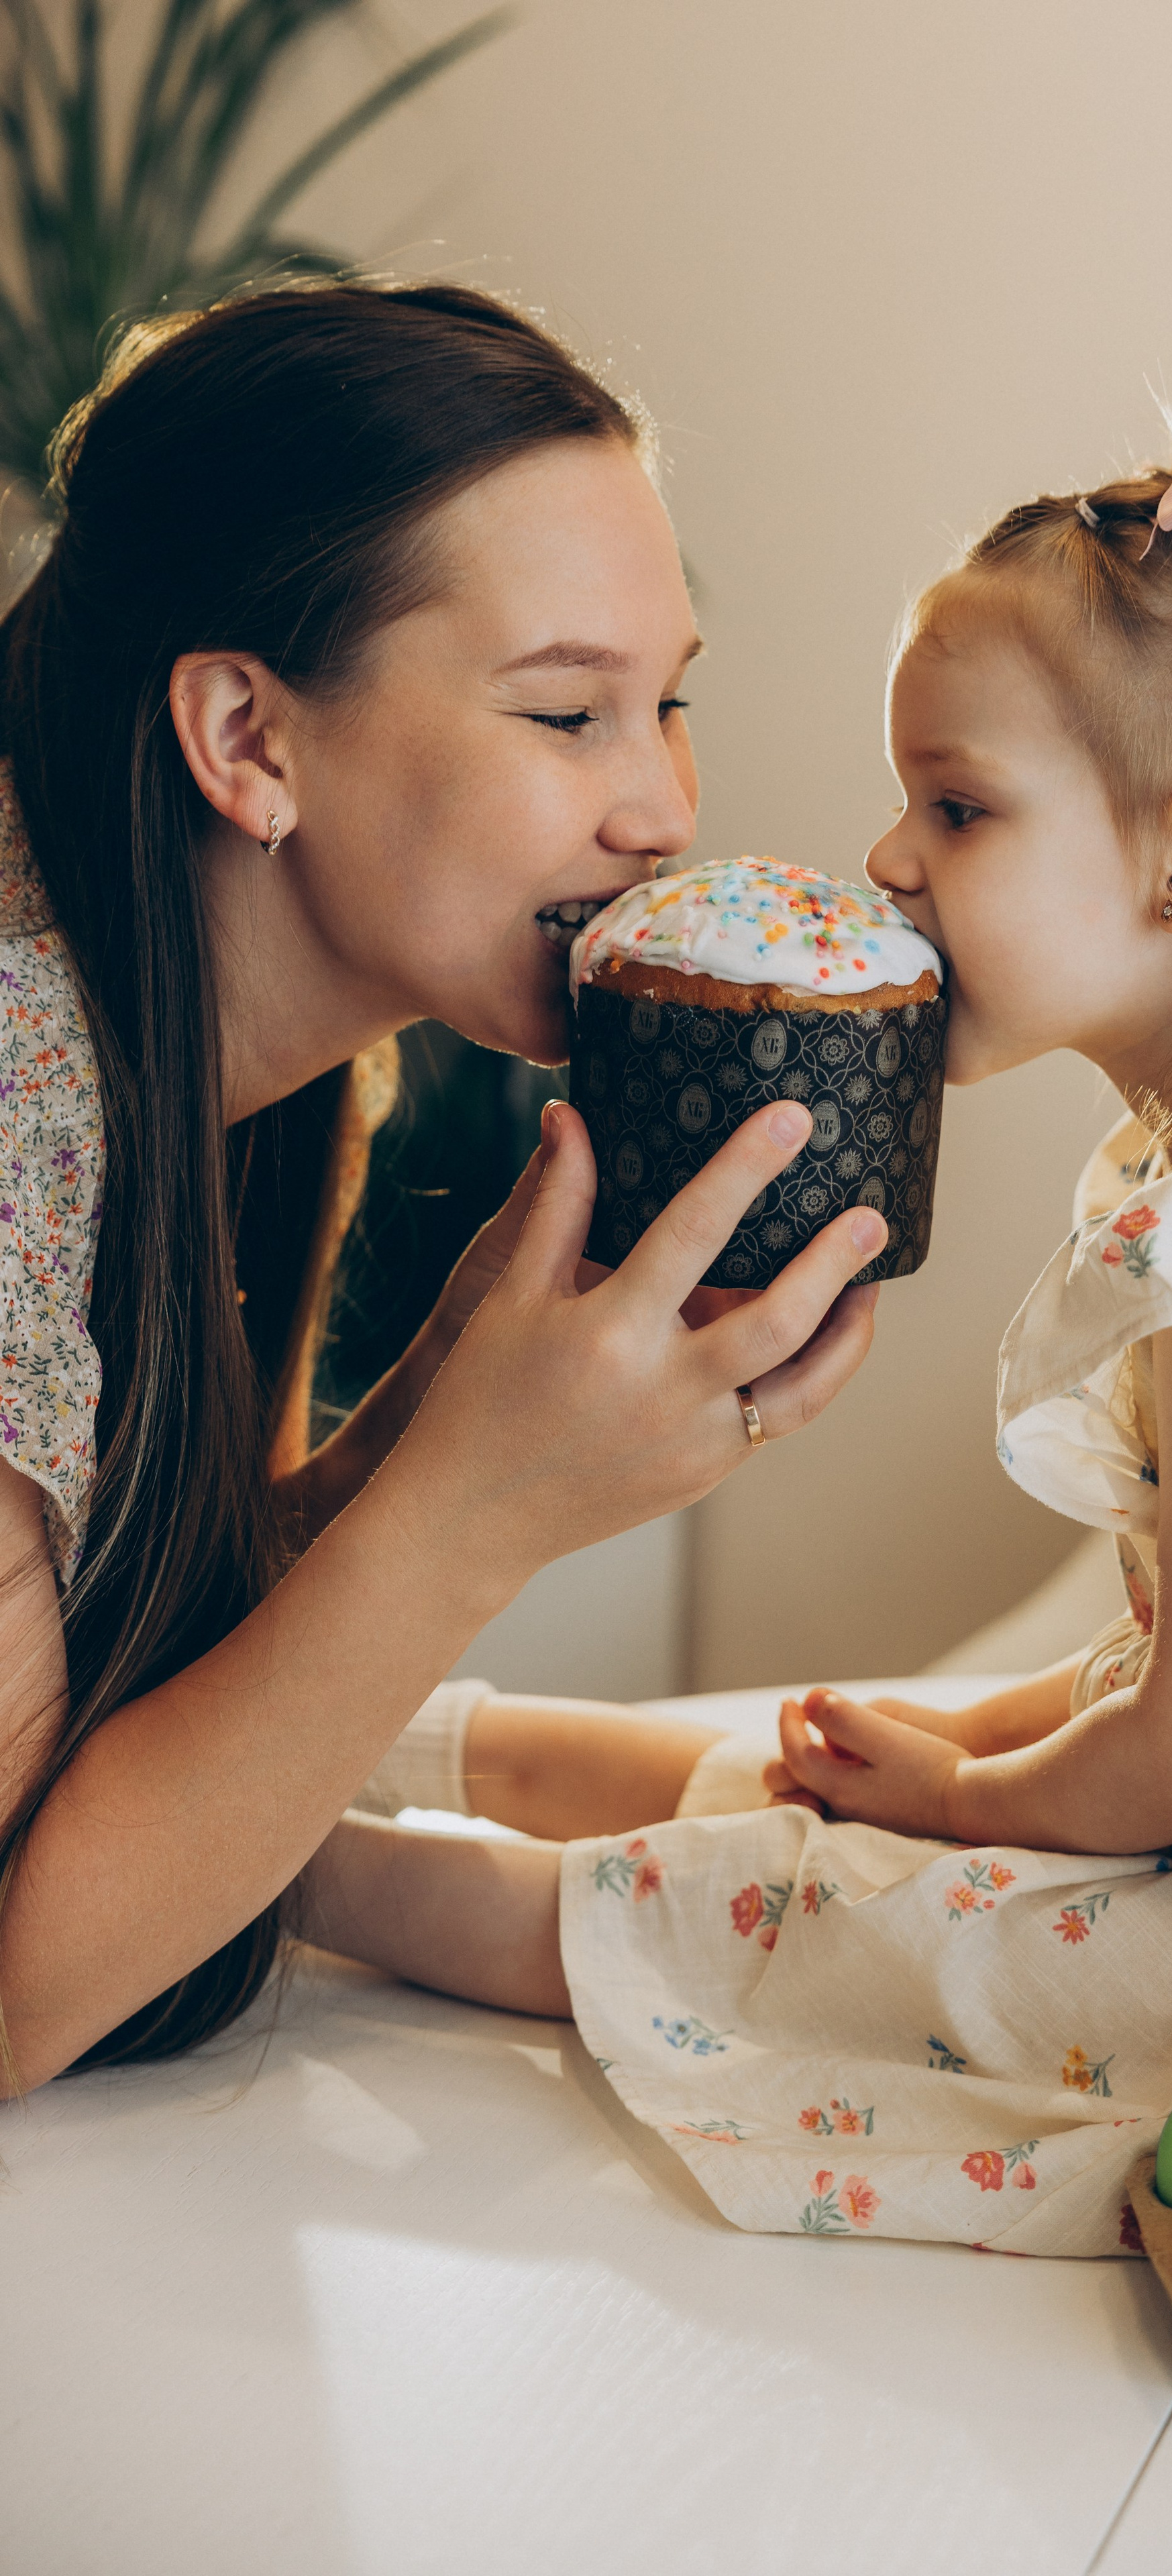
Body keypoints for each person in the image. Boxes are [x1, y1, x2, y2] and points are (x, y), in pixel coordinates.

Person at [327, 378, 1172, 2254]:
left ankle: (292, 1878)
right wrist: (966, 1758)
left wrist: (975, 1803)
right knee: (834, 1760)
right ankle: (386, 1739)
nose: (891, 862)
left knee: (840, 1914)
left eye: (958, 808)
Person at [0, 281, 888, 2094]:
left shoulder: (256, 1060)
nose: (661, 809)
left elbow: (137, 1700)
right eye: (567, 714)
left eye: (670, 701)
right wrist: (481, 1507)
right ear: (249, 738)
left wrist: (440, 1416)